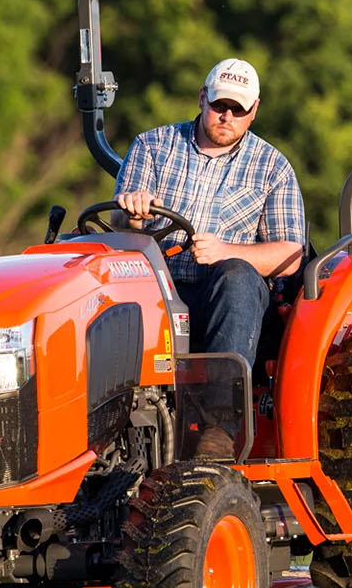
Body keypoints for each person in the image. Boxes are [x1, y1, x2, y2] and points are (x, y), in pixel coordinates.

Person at [115, 57, 307, 456]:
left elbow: (290, 253)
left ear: (254, 111)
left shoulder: (273, 167)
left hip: (225, 302)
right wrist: (132, 212)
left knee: (236, 274)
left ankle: (217, 432)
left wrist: (226, 251)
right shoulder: (153, 146)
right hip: (156, 292)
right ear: (203, 98)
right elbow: (117, 221)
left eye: (238, 109)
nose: (227, 116)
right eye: (220, 105)